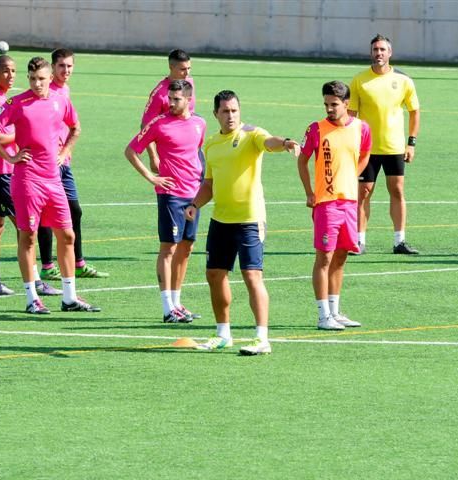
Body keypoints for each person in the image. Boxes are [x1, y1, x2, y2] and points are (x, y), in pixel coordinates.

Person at [0, 56, 100, 314]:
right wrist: (10, 157)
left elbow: (75, 128)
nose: (37, 84)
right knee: (28, 237)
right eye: (33, 79)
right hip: (27, 180)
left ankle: (69, 298)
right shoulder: (16, 102)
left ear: (49, 78)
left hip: (53, 179)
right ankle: (31, 298)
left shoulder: (61, 100)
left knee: (67, 235)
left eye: (41, 79)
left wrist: (64, 152)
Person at [185, 90, 301, 355]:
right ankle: (223, 333)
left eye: (234, 110)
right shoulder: (211, 144)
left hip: (249, 219)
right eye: (225, 111)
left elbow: (269, 142)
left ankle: (262, 338)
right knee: (215, 274)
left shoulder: (251, 134)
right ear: (216, 114)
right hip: (220, 219)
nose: (230, 116)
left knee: (252, 275)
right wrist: (194, 204)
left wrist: (286, 143)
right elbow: (209, 184)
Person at [0, 55, 62, 297]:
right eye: (6, 71)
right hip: (3, 171)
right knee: (26, 229)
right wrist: (29, 133)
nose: (11, 75)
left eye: (14, 71)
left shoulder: (3, 98)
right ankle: (35, 281)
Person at [124, 79, 205, 323]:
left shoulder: (200, 123)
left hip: (194, 195)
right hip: (171, 195)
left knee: (186, 247)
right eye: (169, 98)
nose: (170, 103)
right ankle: (167, 307)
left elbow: (196, 153)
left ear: (188, 100)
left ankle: (178, 303)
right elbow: (131, 150)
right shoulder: (159, 124)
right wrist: (152, 177)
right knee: (168, 248)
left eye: (176, 99)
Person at [298, 81, 371, 330]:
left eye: (334, 104)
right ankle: (322, 315)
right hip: (326, 203)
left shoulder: (362, 128)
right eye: (326, 104)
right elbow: (302, 160)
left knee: (341, 256)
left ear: (346, 104)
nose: (329, 109)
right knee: (324, 257)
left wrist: (353, 176)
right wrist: (309, 192)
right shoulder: (317, 129)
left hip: (349, 201)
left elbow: (366, 153)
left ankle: (335, 310)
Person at [37, 48, 109, 280]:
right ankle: (48, 266)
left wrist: (66, 150)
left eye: (69, 66)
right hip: (48, 163)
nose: (66, 70)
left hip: (63, 162)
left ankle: (77, 263)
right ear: (52, 67)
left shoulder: (64, 90)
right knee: (47, 214)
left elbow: (70, 125)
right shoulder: (47, 91)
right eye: (61, 66)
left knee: (74, 211)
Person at [349, 34, 420, 255]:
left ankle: (400, 241)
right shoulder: (359, 80)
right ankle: (359, 242)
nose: (378, 53)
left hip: (395, 148)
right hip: (366, 149)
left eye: (382, 50)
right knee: (363, 194)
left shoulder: (404, 81)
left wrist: (411, 144)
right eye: (375, 50)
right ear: (370, 53)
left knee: (397, 191)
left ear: (390, 53)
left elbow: (414, 112)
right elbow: (350, 115)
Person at [141, 49, 196, 173]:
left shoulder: (189, 83)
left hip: (191, 149)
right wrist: (153, 157)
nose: (187, 73)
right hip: (171, 153)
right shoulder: (159, 94)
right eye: (183, 69)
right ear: (171, 67)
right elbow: (145, 126)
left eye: (189, 68)